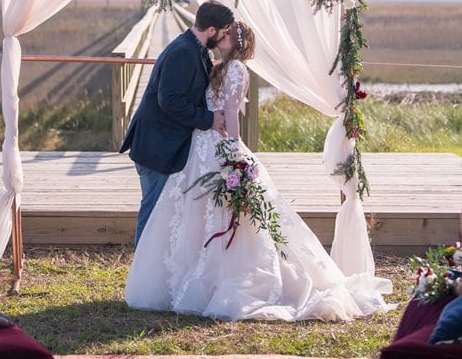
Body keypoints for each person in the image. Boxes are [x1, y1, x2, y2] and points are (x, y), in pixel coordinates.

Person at [125, 20, 393, 321]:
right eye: (221, 32)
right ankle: (185, 273)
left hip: (220, 146)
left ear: (237, 42)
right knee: (193, 213)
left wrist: (235, 151)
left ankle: (227, 276)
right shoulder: (218, 66)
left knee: (226, 214)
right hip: (198, 149)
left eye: (227, 35)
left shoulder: (237, 70)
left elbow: (230, 114)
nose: (221, 37)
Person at [119, 0, 234, 245]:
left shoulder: (196, 49)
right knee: (153, 213)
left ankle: (153, 267)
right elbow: (169, 100)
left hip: (163, 144)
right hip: (155, 146)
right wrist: (210, 119)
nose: (225, 36)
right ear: (211, 30)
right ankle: (143, 274)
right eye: (224, 32)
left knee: (161, 213)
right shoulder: (183, 52)